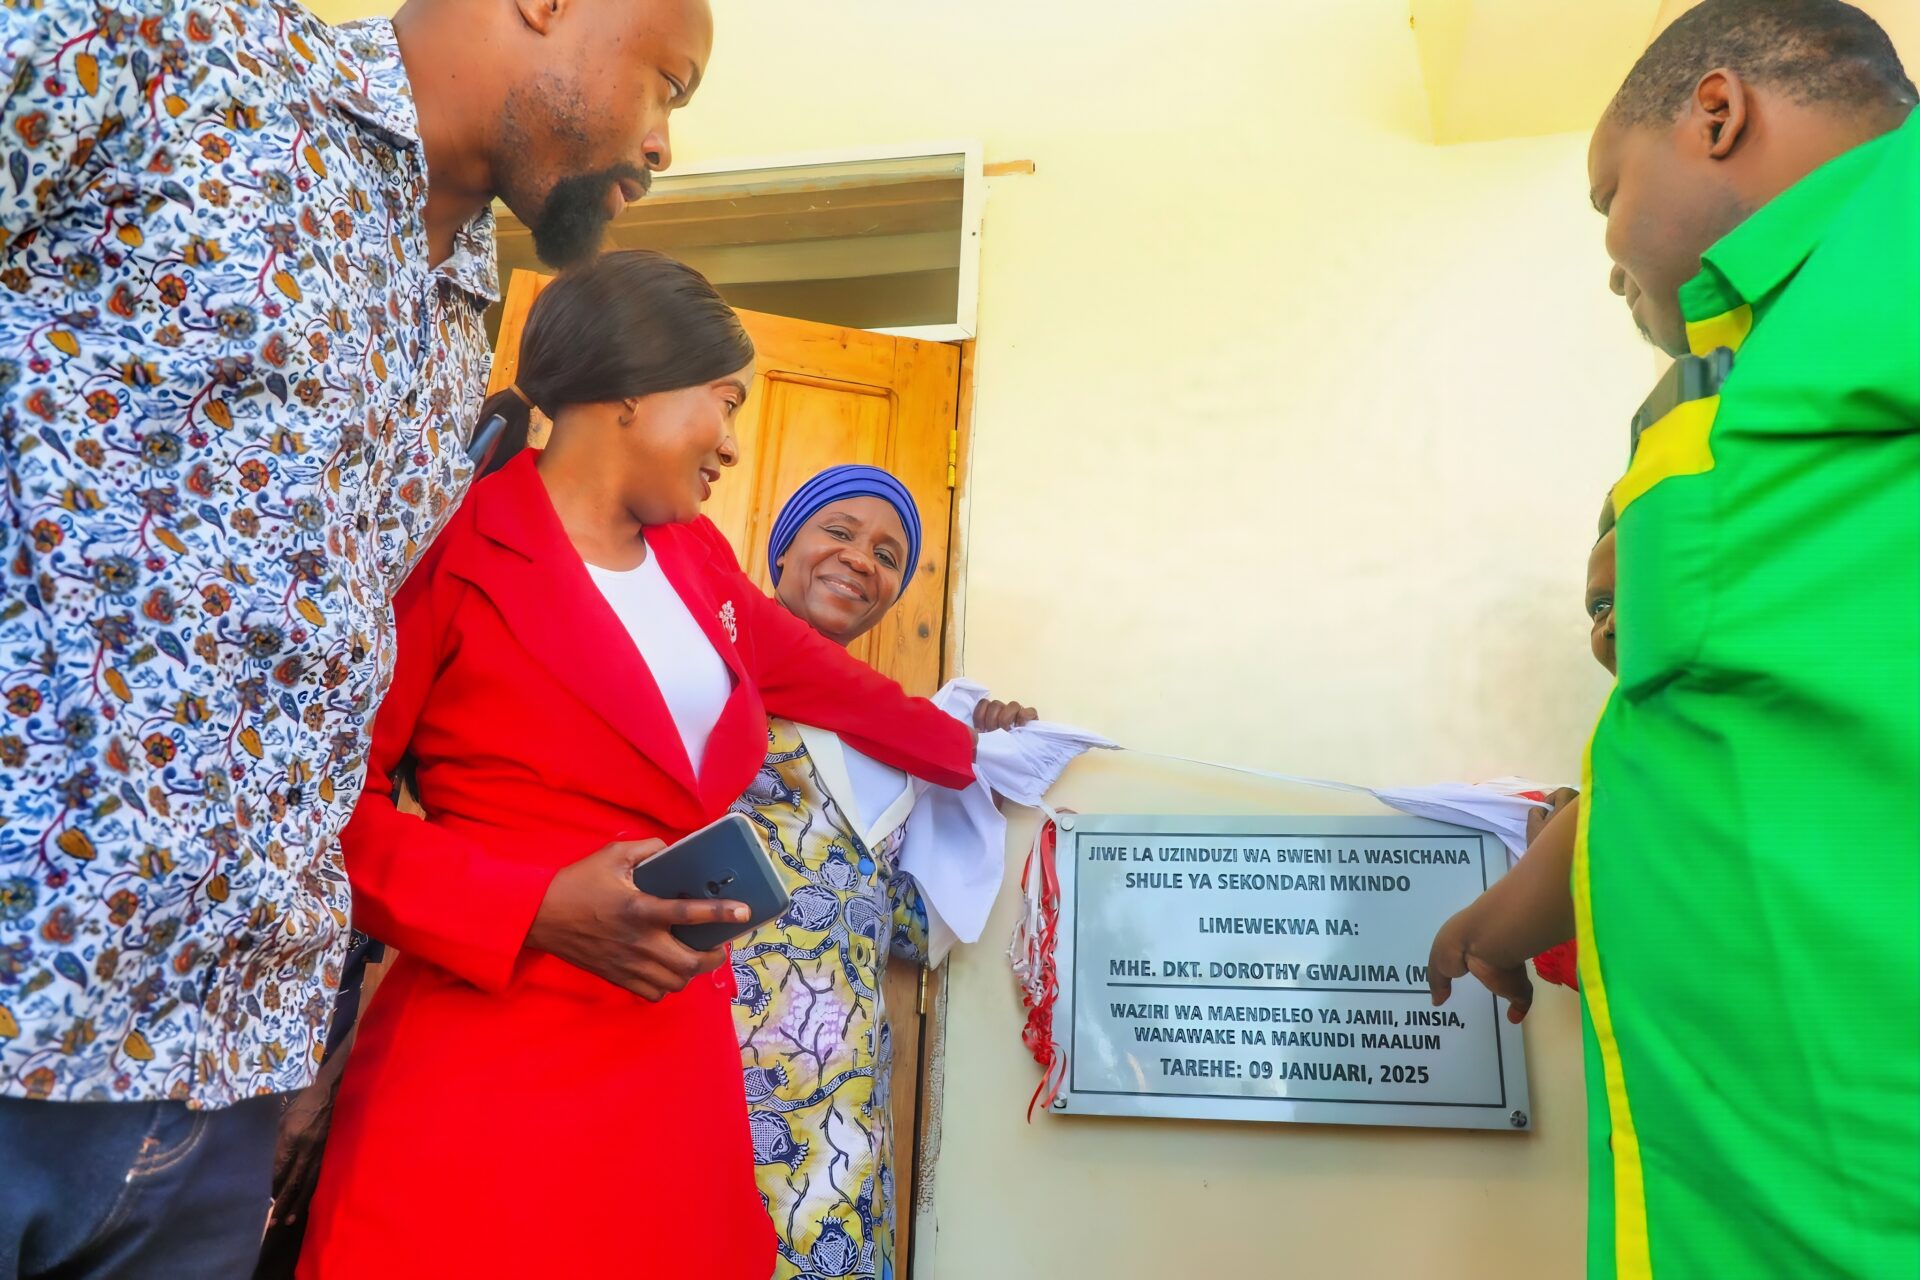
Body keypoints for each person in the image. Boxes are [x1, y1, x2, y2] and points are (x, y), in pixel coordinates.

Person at [0, 0, 715, 1269]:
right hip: (27, 997)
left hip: (224, 1075)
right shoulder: (166, 47)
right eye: (669, 82)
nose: (663, 142)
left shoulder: (461, 301)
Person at [293, 250, 975, 1279]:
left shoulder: (701, 566)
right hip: (491, 1047)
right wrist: (533, 907)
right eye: (724, 402)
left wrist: (979, 744)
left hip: (675, 1056)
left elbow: (852, 694)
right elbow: (317, 819)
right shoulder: (452, 548)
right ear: (632, 387)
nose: (732, 444)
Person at [1436, 3, 1919, 1274]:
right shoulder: (1739, 376)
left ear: (1716, 113)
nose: (1609, 256)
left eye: (1609, 194)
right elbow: (1727, 717)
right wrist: (1524, 903)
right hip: (1741, 1165)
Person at [728, 468, 1033, 1280]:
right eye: (839, 531)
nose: (863, 558)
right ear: (783, 549)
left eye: (889, 555)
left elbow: (904, 928)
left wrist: (984, 777)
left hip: (842, 1093)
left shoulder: (899, 747)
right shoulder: (718, 679)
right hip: (715, 1052)